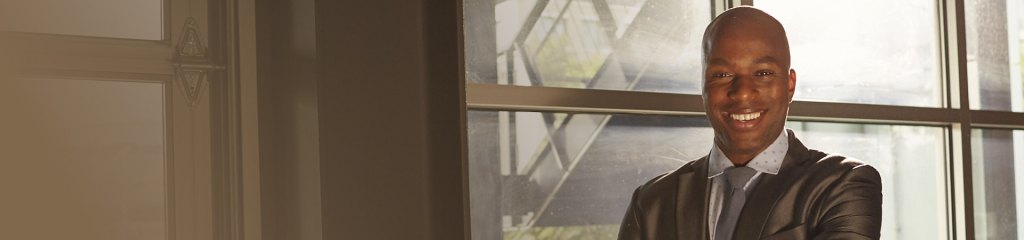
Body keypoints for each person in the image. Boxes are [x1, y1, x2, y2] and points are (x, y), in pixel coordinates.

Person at [617, 6, 882, 240]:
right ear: (703, 86)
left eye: (763, 73)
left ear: (790, 85)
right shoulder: (651, 202)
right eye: (722, 74)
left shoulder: (843, 185)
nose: (742, 92)